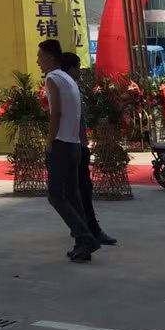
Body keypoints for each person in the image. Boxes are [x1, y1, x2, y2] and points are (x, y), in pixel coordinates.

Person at [39, 38, 98, 263]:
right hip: (73, 144)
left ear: (49, 57)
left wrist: (49, 141)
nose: (38, 61)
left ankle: (85, 238)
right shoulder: (69, 80)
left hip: (62, 144)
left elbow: (56, 113)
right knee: (72, 195)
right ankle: (83, 242)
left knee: (56, 195)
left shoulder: (52, 78)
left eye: (40, 57)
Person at [61, 51, 116, 249]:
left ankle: (80, 227)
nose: (80, 72)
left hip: (72, 145)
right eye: (78, 68)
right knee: (81, 190)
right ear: (71, 68)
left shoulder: (67, 87)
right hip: (75, 146)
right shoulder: (68, 88)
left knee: (75, 190)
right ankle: (90, 230)